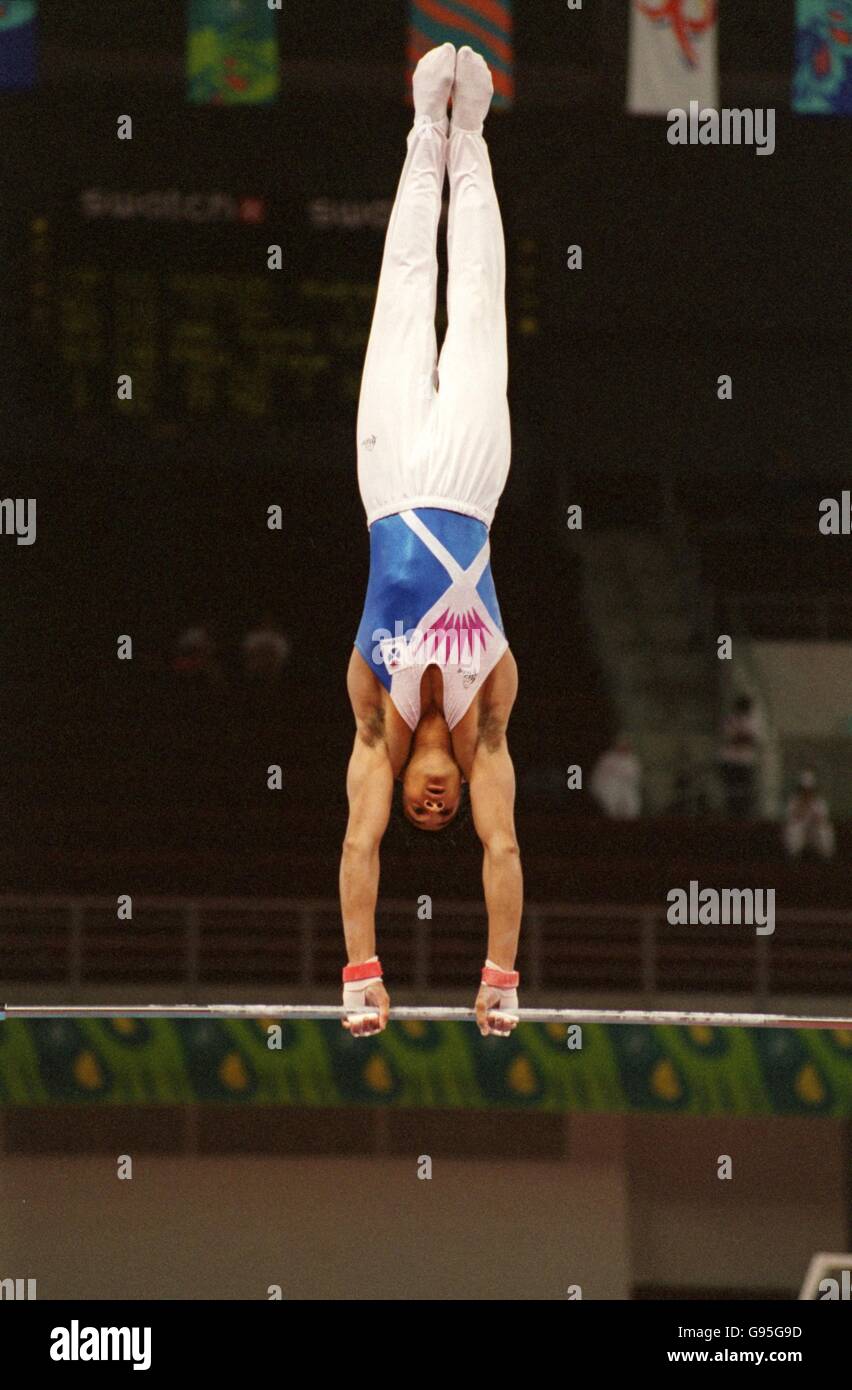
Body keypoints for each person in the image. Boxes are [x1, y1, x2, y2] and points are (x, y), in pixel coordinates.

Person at [341, 44, 521, 1040]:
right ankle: (474, 140)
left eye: (424, 809)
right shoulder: (491, 716)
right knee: (479, 297)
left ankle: (427, 129)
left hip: (386, 482)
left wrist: (360, 968)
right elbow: (502, 852)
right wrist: (499, 973)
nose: (439, 803)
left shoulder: (376, 719)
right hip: (471, 485)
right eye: (441, 814)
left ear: (406, 783)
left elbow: (356, 847)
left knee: (408, 292)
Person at [718, 694, 761, 818]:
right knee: (732, 790)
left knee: (744, 791)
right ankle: (731, 814)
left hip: (745, 761)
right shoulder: (730, 719)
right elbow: (731, 738)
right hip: (731, 760)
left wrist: (741, 737)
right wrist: (742, 737)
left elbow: (752, 739)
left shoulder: (753, 721)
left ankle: (744, 815)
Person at [783, 771, 836, 861]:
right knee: (793, 830)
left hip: (815, 828)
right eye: (804, 789)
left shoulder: (819, 802)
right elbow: (792, 816)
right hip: (800, 827)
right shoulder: (794, 801)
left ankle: (826, 857)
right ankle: (793, 857)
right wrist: (803, 806)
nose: (807, 792)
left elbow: (822, 818)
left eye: (809, 789)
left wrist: (814, 819)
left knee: (824, 831)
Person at [590, 736, 642, 819]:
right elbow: (598, 777)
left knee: (631, 808)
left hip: (627, 790)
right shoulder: (607, 759)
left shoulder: (632, 760)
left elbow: (635, 776)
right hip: (610, 790)